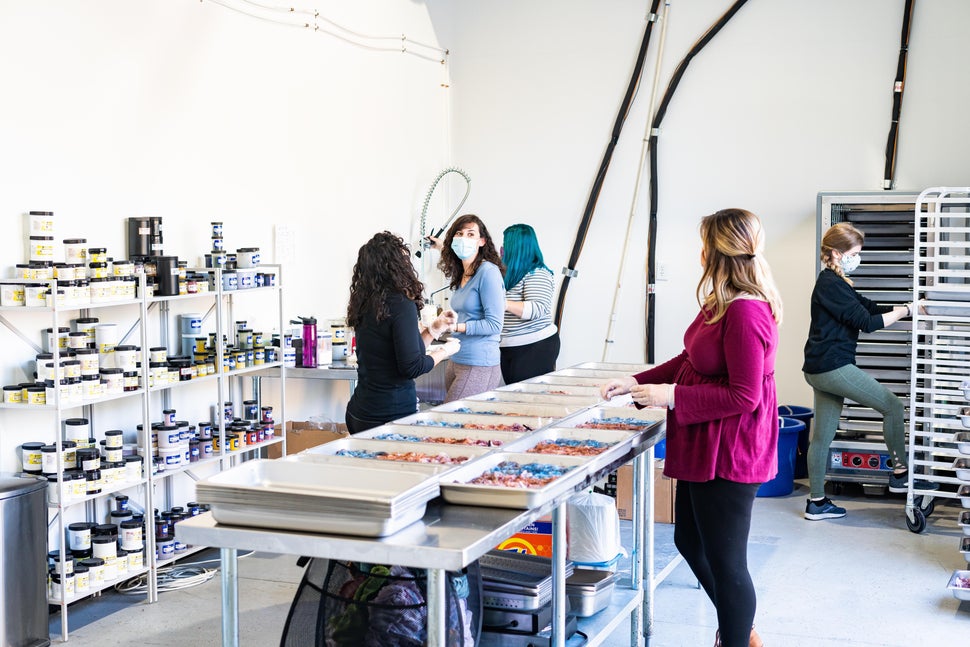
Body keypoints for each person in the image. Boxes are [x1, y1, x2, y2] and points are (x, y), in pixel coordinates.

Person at [600, 208, 781, 647]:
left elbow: (744, 396)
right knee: (689, 540)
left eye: (703, 245)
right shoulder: (720, 303)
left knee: (726, 561)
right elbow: (689, 359)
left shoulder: (745, 313)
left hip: (731, 446)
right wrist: (639, 381)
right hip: (708, 441)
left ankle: (736, 636)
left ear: (716, 252)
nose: (699, 253)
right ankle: (740, 628)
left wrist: (671, 397)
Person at [802, 222, 932, 521]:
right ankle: (900, 473)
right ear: (836, 253)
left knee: (822, 436)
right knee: (892, 405)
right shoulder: (829, 285)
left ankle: (817, 503)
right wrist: (906, 312)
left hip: (821, 367)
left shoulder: (840, 283)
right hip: (832, 367)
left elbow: (871, 308)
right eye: (855, 253)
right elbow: (868, 323)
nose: (858, 258)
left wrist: (908, 307)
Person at [344, 231, 459, 434]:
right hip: (389, 416)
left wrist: (434, 329)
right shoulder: (400, 303)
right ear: (397, 266)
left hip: (360, 412)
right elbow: (411, 366)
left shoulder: (364, 302)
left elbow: (404, 353)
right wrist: (445, 352)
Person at [437, 214, 505, 401]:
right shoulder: (462, 273)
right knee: (452, 420)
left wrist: (456, 327)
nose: (463, 238)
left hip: (479, 362)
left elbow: (494, 325)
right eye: (459, 233)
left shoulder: (488, 272)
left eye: (470, 234)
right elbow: (467, 313)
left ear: (482, 241)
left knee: (451, 419)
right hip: (457, 356)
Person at [499, 224, 559, 383]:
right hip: (510, 347)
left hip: (534, 347)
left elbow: (536, 309)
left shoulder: (537, 273)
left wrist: (502, 303)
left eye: (505, 244)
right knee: (514, 396)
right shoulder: (511, 273)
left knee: (525, 398)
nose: (502, 249)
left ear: (515, 247)